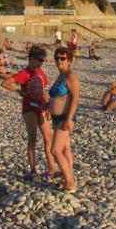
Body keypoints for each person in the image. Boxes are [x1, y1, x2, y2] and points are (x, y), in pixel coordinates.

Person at [2, 46, 57, 180]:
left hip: (41, 106)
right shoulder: (24, 73)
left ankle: (52, 168)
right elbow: (5, 83)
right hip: (29, 107)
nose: (41, 63)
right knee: (32, 138)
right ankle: (33, 170)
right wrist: (18, 91)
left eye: (42, 61)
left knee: (48, 137)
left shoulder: (40, 72)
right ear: (31, 58)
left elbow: (43, 90)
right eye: (39, 60)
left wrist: (48, 105)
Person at [49, 47, 80, 192]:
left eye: (62, 58)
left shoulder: (70, 76)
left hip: (64, 118)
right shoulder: (60, 75)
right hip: (56, 118)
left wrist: (69, 119)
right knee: (65, 149)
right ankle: (66, 177)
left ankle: (70, 183)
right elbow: (57, 97)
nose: (58, 61)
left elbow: (75, 99)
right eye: (56, 58)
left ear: (69, 60)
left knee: (55, 150)